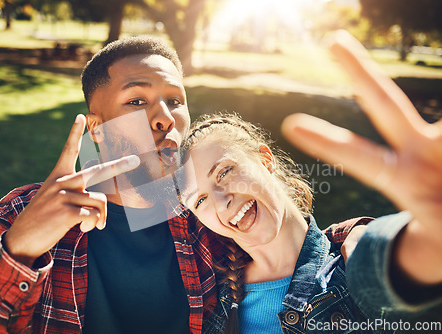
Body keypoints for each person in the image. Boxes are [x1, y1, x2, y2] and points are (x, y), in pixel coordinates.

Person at [0, 36, 364, 334]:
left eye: (176, 100)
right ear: (96, 128)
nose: (165, 117)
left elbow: (288, 240)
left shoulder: (204, 208)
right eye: (136, 101)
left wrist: (359, 233)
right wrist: (20, 251)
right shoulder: (19, 215)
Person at [179, 31, 442, 334]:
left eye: (223, 172)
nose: (221, 200)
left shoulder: (349, 268)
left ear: (265, 161)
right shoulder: (212, 297)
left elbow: (413, 259)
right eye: (199, 200)